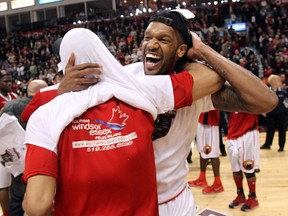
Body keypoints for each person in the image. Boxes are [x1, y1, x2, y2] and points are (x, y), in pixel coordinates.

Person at [22, 10, 277, 216]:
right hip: (125, 204)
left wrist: (204, 51)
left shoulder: (196, 89)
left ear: (180, 50)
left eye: (164, 40)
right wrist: (63, 91)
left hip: (173, 201)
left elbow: (264, 101)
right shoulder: (126, 77)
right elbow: (69, 102)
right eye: (147, 37)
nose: (151, 44)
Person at [22, 28, 211, 216]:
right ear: (103, 54)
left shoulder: (46, 113)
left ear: (65, 63)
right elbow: (212, 78)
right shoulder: (140, 91)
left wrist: (60, 94)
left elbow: (38, 206)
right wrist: (200, 50)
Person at [0, 79, 48, 216]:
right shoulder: (50, 104)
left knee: (16, 195)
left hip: (16, 157)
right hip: (42, 157)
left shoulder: (11, 104)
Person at [226, 112, 260, 212]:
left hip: (247, 132)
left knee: (248, 170)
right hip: (232, 133)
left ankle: (253, 197)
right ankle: (240, 195)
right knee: (235, 169)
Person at [188, 110, 224, 194]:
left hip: (210, 121)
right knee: (202, 151)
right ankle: (202, 178)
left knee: (213, 153)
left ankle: (218, 183)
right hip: (201, 118)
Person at [0, 69, 18, 216]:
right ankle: (6, 213)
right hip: (0, 144)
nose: (9, 83)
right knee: (3, 183)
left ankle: (14, 209)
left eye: (10, 81)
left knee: (14, 179)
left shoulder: (14, 96)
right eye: (5, 81)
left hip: (13, 144)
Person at [260, 74, 288, 152]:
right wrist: (263, 111)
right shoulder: (267, 91)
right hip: (271, 113)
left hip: (282, 113)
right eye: (278, 80)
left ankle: (281, 146)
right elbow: (264, 102)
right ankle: (267, 144)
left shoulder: (283, 92)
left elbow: (286, 103)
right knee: (270, 129)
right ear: (274, 82)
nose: (280, 82)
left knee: (282, 129)